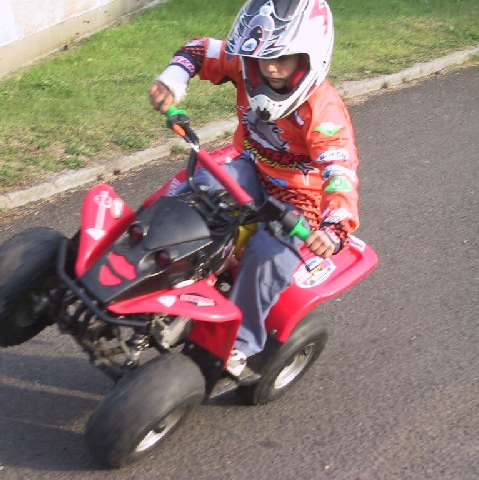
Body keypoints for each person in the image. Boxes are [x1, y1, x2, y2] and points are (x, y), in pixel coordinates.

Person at [148, 0, 360, 380]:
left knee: (267, 256)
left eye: (282, 58)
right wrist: (173, 79)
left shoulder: (323, 113)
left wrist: (334, 227)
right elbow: (200, 50)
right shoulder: (246, 66)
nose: (270, 68)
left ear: (309, 58)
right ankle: (161, 270)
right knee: (198, 189)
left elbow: (339, 172)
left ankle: (240, 343)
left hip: (300, 197)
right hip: (252, 166)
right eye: (262, 58)